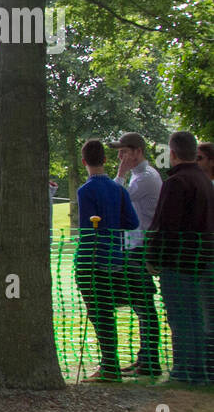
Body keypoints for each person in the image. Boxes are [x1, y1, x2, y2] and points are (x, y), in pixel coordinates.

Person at [146, 131, 214, 385]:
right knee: (195, 316)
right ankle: (199, 370)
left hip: (177, 261)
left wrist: (154, 256)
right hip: (201, 258)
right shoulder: (204, 180)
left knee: (180, 316)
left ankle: (185, 371)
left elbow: (166, 226)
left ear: (172, 153)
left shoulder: (176, 182)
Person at [74, 139, 140, 382]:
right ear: (105, 159)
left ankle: (109, 366)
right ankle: (110, 364)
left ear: (84, 162)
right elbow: (132, 222)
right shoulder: (118, 189)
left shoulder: (85, 191)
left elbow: (87, 230)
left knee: (99, 313)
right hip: (115, 259)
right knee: (107, 311)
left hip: (91, 260)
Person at [108, 132, 163, 377]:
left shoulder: (145, 178)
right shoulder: (139, 177)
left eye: (124, 152)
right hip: (133, 247)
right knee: (141, 306)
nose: (120, 157)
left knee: (144, 306)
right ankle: (145, 359)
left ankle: (150, 361)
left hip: (140, 249)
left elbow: (114, 199)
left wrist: (119, 174)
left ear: (137, 152)